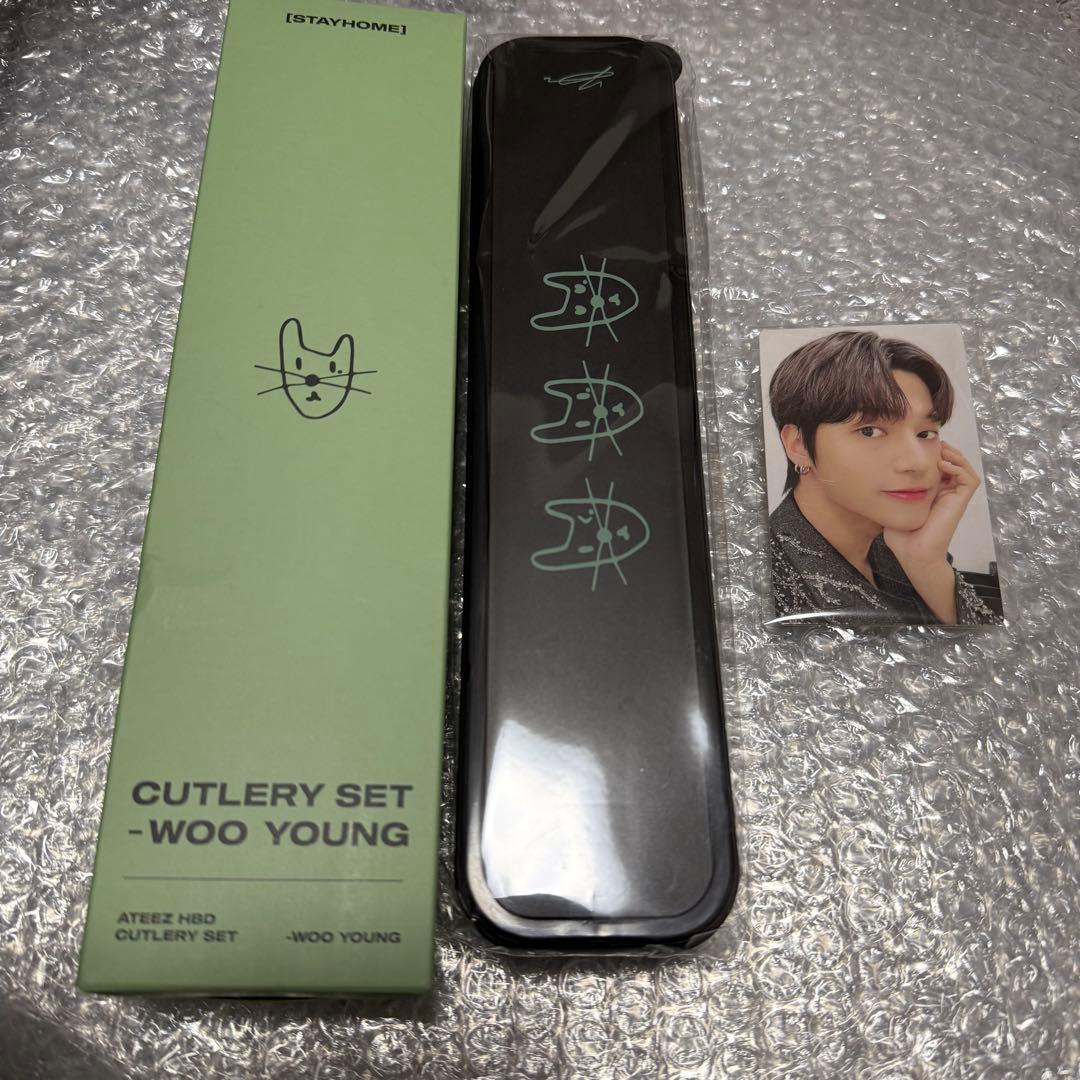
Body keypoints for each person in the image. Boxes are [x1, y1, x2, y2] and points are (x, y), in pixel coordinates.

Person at [767, 330, 1000, 625]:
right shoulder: (766, 579)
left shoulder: (892, 548)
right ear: (799, 445)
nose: (917, 463)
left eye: (926, 433)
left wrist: (926, 563)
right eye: (870, 431)